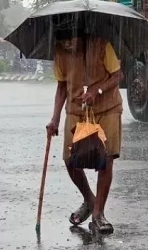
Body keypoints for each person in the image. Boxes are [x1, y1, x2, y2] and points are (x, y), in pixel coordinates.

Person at [45, 31, 124, 234]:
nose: (68, 43)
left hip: (107, 107)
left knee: (106, 159)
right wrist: (54, 118)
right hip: (76, 109)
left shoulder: (101, 44)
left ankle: (98, 214)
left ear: (81, 35)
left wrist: (97, 91)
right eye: (63, 40)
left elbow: (117, 75)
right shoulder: (60, 53)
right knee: (70, 159)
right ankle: (89, 200)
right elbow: (62, 86)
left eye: (71, 38)